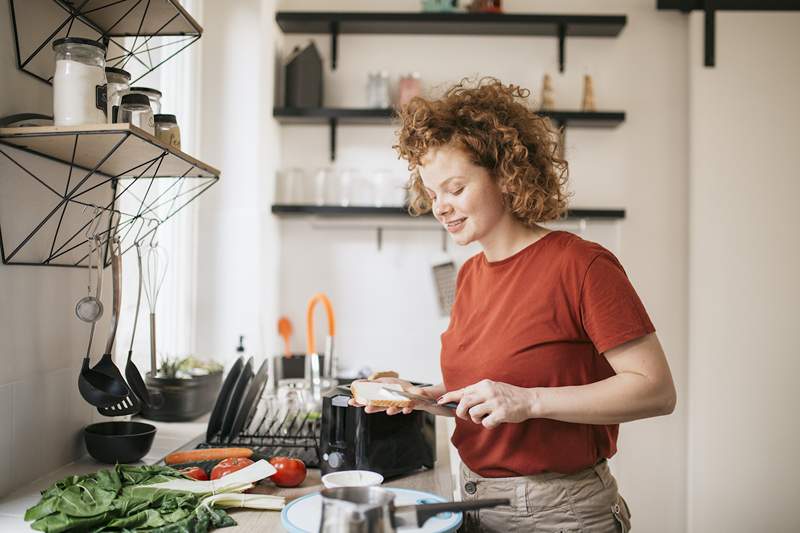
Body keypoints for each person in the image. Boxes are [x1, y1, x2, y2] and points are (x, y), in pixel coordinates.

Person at [350, 78, 676, 532]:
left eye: (455, 188)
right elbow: (498, 394)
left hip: (558, 514)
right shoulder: (470, 275)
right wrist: (430, 398)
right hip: (475, 503)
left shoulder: (581, 265)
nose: (440, 207)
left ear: (505, 175)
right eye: (432, 192)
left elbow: (656, 390)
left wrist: (530, 401)